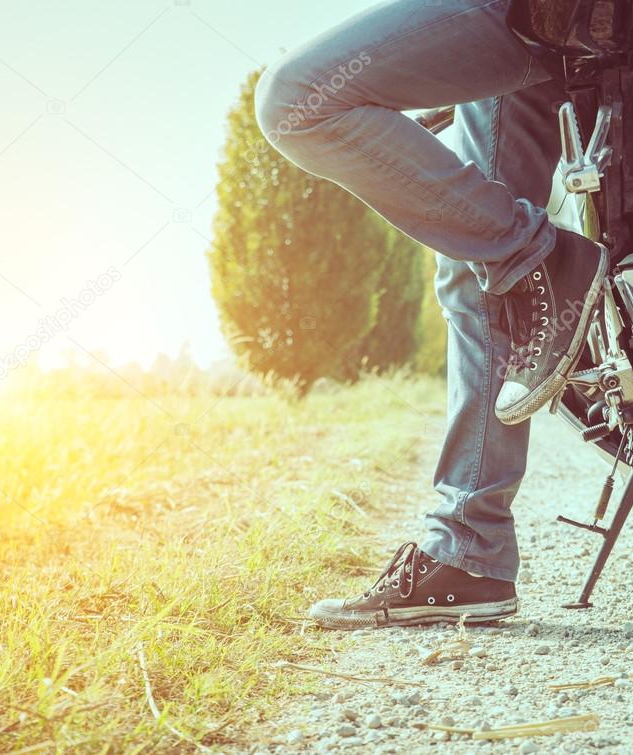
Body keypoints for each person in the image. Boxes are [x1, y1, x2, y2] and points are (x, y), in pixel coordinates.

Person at [255, 0, 606, 630]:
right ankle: (467, 554)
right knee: (472, 252)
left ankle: (538, 257)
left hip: (552, 16)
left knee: (295, 99)